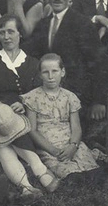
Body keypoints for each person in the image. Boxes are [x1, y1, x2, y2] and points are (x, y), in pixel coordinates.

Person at [25, 0, 108, 129]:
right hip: (47, 91)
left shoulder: (83, 23)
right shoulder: (43, 24)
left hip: (77, 94)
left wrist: (99, 100)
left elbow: (98, 62)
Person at [22, 53, 99, 182]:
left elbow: (76, 128)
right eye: (46, 72)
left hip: (70, 142)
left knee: (88, 163)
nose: (51, 77)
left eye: (55, 71)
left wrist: (73, 146)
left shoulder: (70, 97)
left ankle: (89, 174)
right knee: (64, 170)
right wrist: (53, 150)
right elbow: (32, 130)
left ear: (62, 72)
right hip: (48, 146)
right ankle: (73, 177)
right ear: (40, 75)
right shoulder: (32, 97)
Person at [0, 14, 41, 150]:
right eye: (2, 33)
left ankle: (34, 167)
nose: (6, 37)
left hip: (26, 117)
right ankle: (36, 168)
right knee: (6, 139)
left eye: (11, 32)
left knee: (20, 139)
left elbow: (38, 93)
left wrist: (23, 103)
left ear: (20, 34)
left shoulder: (33, 63)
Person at [0, 102, 59, 197]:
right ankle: (27, 185)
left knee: (19, 138)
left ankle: (38, 172)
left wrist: (20, 104)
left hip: (10, 114)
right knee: (3, 149)